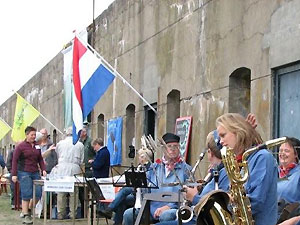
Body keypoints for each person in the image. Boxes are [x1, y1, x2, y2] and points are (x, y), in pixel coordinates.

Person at [216, 113, 278, 225]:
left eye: (223, 135)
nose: (220, 141)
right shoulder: (231, 164)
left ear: (238, 132)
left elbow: (255, 201)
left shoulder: (262, 157)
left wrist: (227, 201)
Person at [123, 133, 192, 225]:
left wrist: (169, 206)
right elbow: (145, 189)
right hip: (151, 208)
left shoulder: (186, 170)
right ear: (163, 148)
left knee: (166, 215)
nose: (172, 149)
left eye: (176, 146)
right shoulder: (154, 168)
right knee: (128, 214)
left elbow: (189, 196)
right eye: (169, 146)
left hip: (172, 209)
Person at [99, 148, 153, 225]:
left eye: (140, 157)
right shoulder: (139, 166)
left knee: (125, 190)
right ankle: (117, 222)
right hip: (136, 193)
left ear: (145, 158)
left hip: (143, 193)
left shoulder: (150, 168)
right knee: (122, 200)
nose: (138, 158)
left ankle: (110, 209)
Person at [11, 126, 47, 224]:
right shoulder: (21, 146)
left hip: (35, 172)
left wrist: (43, 169)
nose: (33, 137)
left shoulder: (37, 146)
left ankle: (29, 209)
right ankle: (26, 215)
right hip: (24, 172)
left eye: (35, 135)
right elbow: (15, 160)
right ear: (27, 135)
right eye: (32, 135)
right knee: (26, 193)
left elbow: (40, 159)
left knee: (38, 193)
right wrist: (14, 174)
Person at [50, 127, 84, 220]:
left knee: (61, 190)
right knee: (74, 192)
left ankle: (60, 213)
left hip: (62, 167)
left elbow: (58, 155)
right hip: (75, 167)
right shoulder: (80, 144)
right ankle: (73, 213)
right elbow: (81, 159)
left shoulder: (60, 144)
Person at [277, 137, 300, 223]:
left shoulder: (298, 174)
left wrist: (294, 221)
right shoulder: (272, 172)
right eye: (280, 150)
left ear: (296, 154)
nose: (282, 153)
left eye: (286, 151)